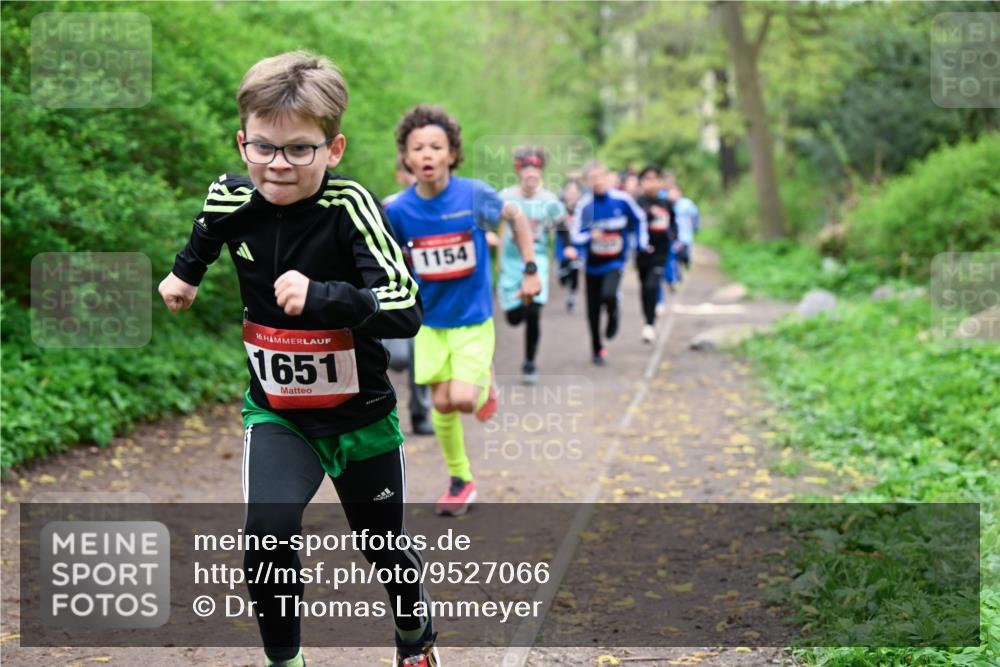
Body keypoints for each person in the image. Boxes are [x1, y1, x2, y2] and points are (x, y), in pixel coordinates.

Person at [157, 52, 440, 667]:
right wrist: (185, 275)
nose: (277, 165)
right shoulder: (231, 195)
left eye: (298, 150)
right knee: (266, 539)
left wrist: (324, 299)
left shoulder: (351, 207)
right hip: (279, 413)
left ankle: (414, 632)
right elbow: (207, 229)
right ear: (243, 142)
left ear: (333, 149)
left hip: (360, 417)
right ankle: (285, 662)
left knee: (382, 546)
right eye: (263, 147)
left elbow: (406, 306)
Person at [385, 104, 541, 516]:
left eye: (436, 146)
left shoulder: (473, 195)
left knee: (464, 399)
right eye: (418, 147)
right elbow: (386, 257)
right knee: (441, 405)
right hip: (429, 322)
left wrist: (530, 269)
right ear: (407, 157)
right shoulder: (398, 211)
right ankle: (461, 479)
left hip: (472, 319)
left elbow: (516, 218)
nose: (427, 154)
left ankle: (486, 382)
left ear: (452, 153)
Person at [497, 147, 566, 384]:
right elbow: (486, 221)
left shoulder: (549, 201)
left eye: (535, 169)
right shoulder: (505, 197)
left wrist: (568, 249)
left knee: (534, 311)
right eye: (526, 169)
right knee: (514, 318)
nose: (531, 174)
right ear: (518, 172)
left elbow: (563, 227)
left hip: (537, 260)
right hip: (510, 262)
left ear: (541, 172)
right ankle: (518, 308)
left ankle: (529, 362)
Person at [571, 160, 648, 365]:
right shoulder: (585, 205)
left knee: (609, 294)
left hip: (615, 261)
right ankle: (597, 349)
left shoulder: (622, 200)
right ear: (587, 181)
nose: (598, 182)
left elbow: (639, 219)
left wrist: (641, 243)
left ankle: (614, 313)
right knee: (593, 310)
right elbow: (575, 234)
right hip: (592, 265)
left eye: (600, 177)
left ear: (607, 177)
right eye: (593, 178)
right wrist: (590, 236)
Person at [383, 155, 434, 435]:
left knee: (420, 355)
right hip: (396, 293)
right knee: (399, 357)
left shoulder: (434, 208)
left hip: (428, 296)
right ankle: (378, 406)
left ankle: (419, 413)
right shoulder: (390, 207)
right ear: (400, 176)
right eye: (410, 172)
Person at [635, 165, 676, 344]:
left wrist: (675, 239)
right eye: (648, 179)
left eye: (655, 179)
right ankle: (647, 319)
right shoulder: (637, 203)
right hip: (642, 253)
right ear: (642, 182)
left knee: (653, 284)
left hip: (661, 252)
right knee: (645, 287)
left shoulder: (666, 203)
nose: (652, 183)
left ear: (661, 182)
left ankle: (650, 325)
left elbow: (673, 224)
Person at [555, 179, 583, 313]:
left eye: (574, 191)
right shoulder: (559, 208)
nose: (572, 194)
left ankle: (572, 296)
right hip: (562, 245)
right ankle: (563, 278)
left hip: (578, 246)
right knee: (563, 276)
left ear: (579, 193)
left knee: (575, 269)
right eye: (569, 191)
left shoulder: (583, 208)